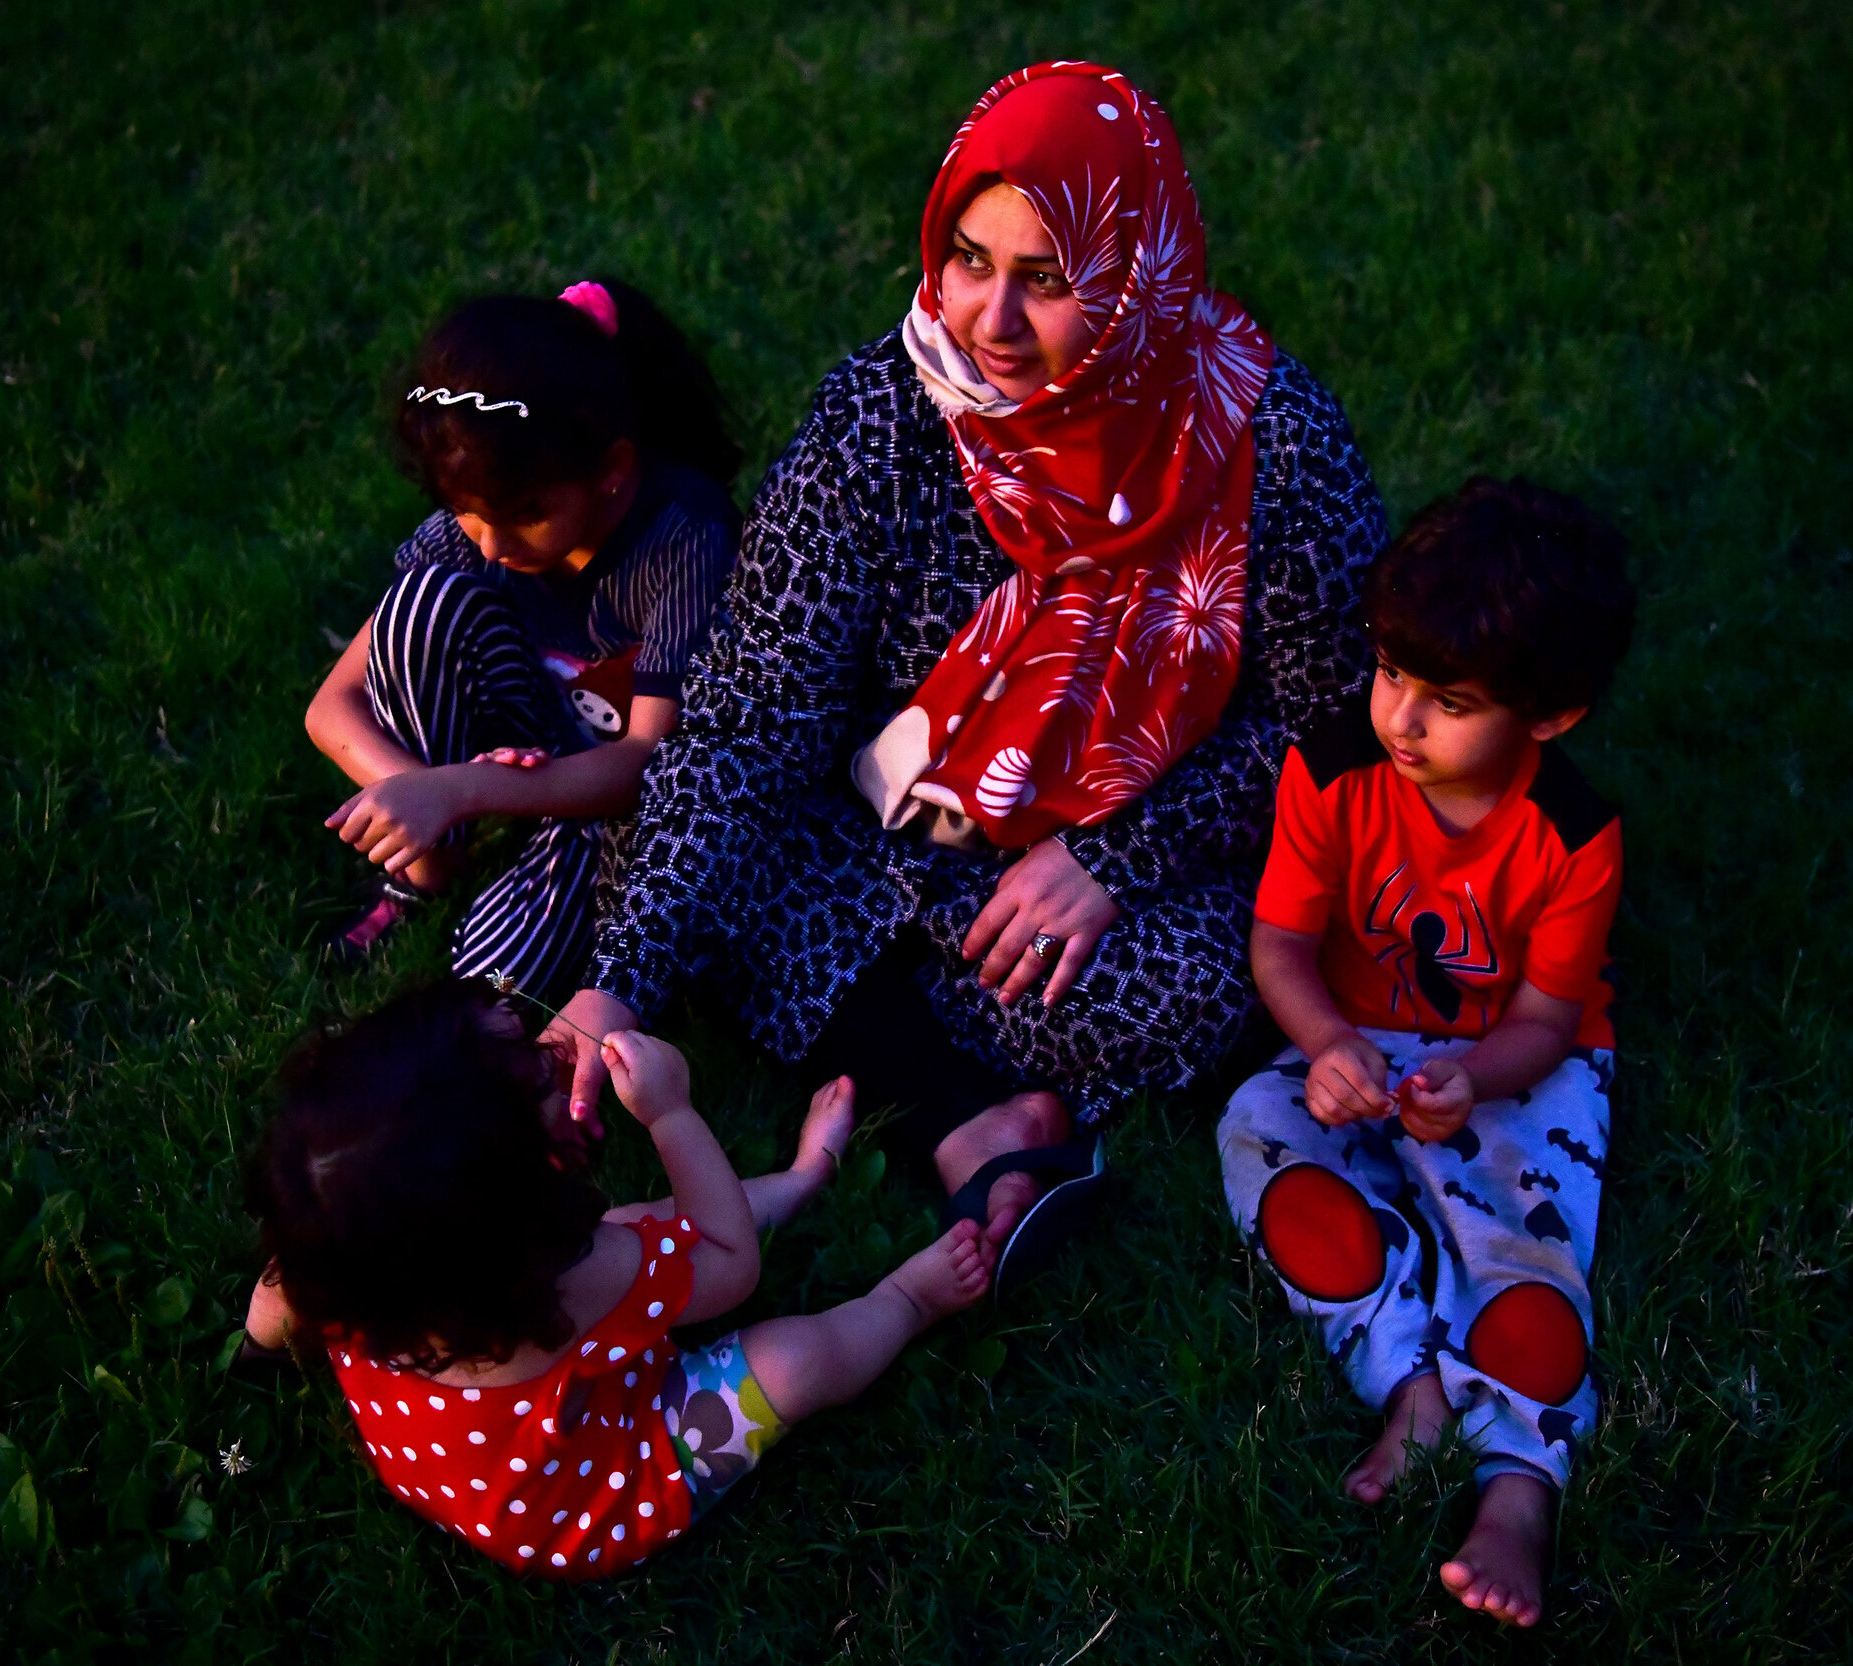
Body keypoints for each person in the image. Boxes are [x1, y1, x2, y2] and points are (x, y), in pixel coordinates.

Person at [539, 64, 1387, 1256]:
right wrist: (617, 984)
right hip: (891, 813)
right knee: (672, 813)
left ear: (1133, 273)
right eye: (969, 261)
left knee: (1194, 981)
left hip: (1128, 859)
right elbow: (750, 714)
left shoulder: (1269, 439)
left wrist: (1112, 856)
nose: (987, 322)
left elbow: (1340, 724)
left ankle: (910, 1055)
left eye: (1044, 281)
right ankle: (970, 1112)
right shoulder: (882, 413)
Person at [1215, 476, 1636, 1626]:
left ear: (1547, 719)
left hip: (1507, 1060)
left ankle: (1517, 1484)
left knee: (1518, 1236)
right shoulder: (1334, 766)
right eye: (1392, 673)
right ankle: (1403, 1375)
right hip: (1355, 1037)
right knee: (1259, 1130)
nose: (1399, 716)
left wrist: (1476, 1078)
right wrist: (1328, 1043)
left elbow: (1550, 1019)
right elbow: (1281, 945)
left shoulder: (1571, 833)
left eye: (1447, 700)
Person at [240, 977, 1010, 1580]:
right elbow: (729, 1263)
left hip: (438, 1465)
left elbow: (272, 1314)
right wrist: (670, 1112)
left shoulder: (340, 1251)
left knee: (646, 1227)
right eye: (537, 1071)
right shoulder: (580, 1279)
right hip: (586, 1505)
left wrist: (260, 1356)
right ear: (508, 1193)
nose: (546, 1047)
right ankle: (905, 1298)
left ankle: (799, 1183)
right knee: (791, 1360)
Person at [305, 281, 740, 993]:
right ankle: (427, 870)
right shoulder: (484, 517)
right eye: (466, 512)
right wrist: (432, 792)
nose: (492, 542)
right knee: (421, 602)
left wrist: (469, 789)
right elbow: (331, 707)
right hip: (513, 743)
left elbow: (643, 765)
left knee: (492, 981)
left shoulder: (683, 540)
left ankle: (493, 899)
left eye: (526, 515)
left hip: (612, 800)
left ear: (612, 473)